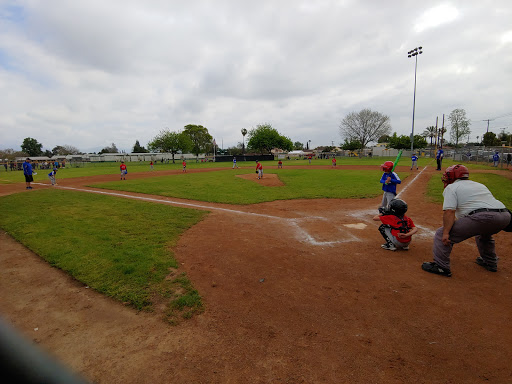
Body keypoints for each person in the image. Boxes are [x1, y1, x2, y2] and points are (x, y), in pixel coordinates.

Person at [421, 164, 511, 277]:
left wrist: (446, 232)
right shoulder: (479, 185)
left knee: (440, 234)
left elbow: (449, 212)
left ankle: (441, 267)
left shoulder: (451, 187)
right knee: (483, 234)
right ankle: (490, 262)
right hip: (505, 215)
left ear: (453, 176)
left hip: (484, 217)